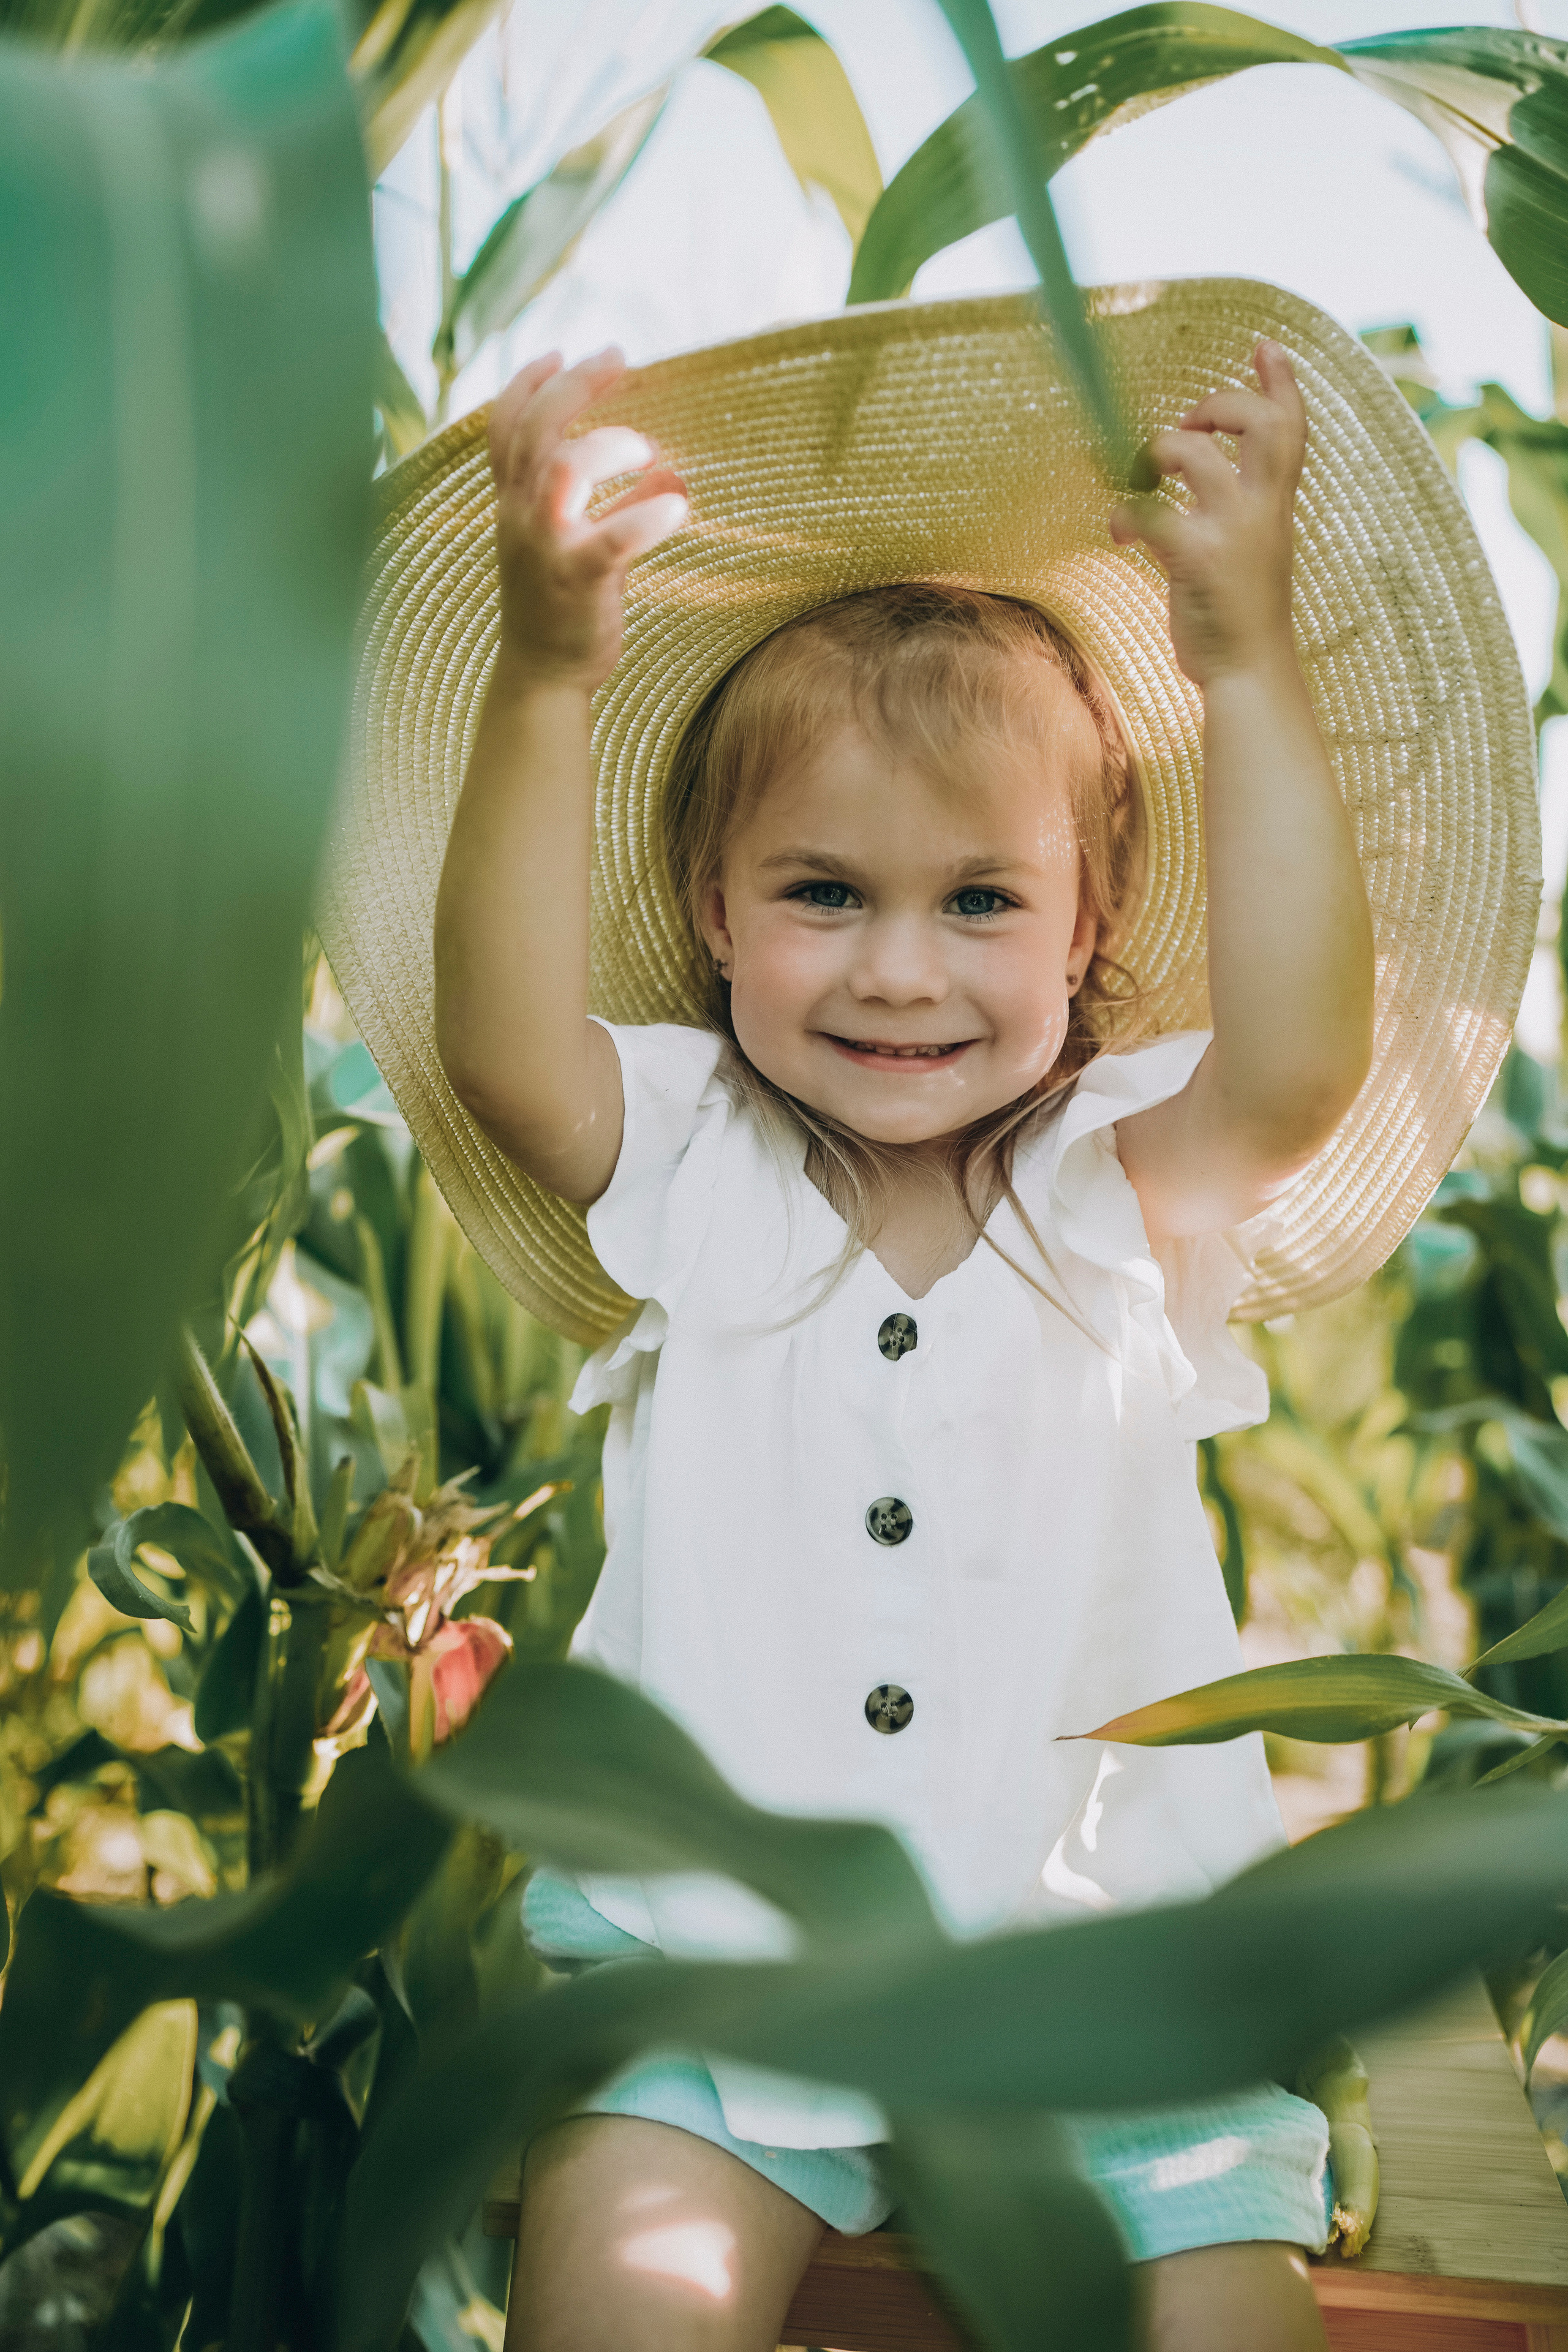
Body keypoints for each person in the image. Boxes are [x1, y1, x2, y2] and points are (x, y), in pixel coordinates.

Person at [431, 328, 1373, 2352]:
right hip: (721, 1975)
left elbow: (1302, 1069)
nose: (897, 970)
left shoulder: (1116, 1186)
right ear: (713, 909)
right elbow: (502, 1050)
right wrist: (545, 675)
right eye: (825, 892)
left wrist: (1245, 662)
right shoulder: (695, 1156)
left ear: (1089, 926)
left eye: (981, 904)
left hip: (1108, 1984)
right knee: (622, 2295)